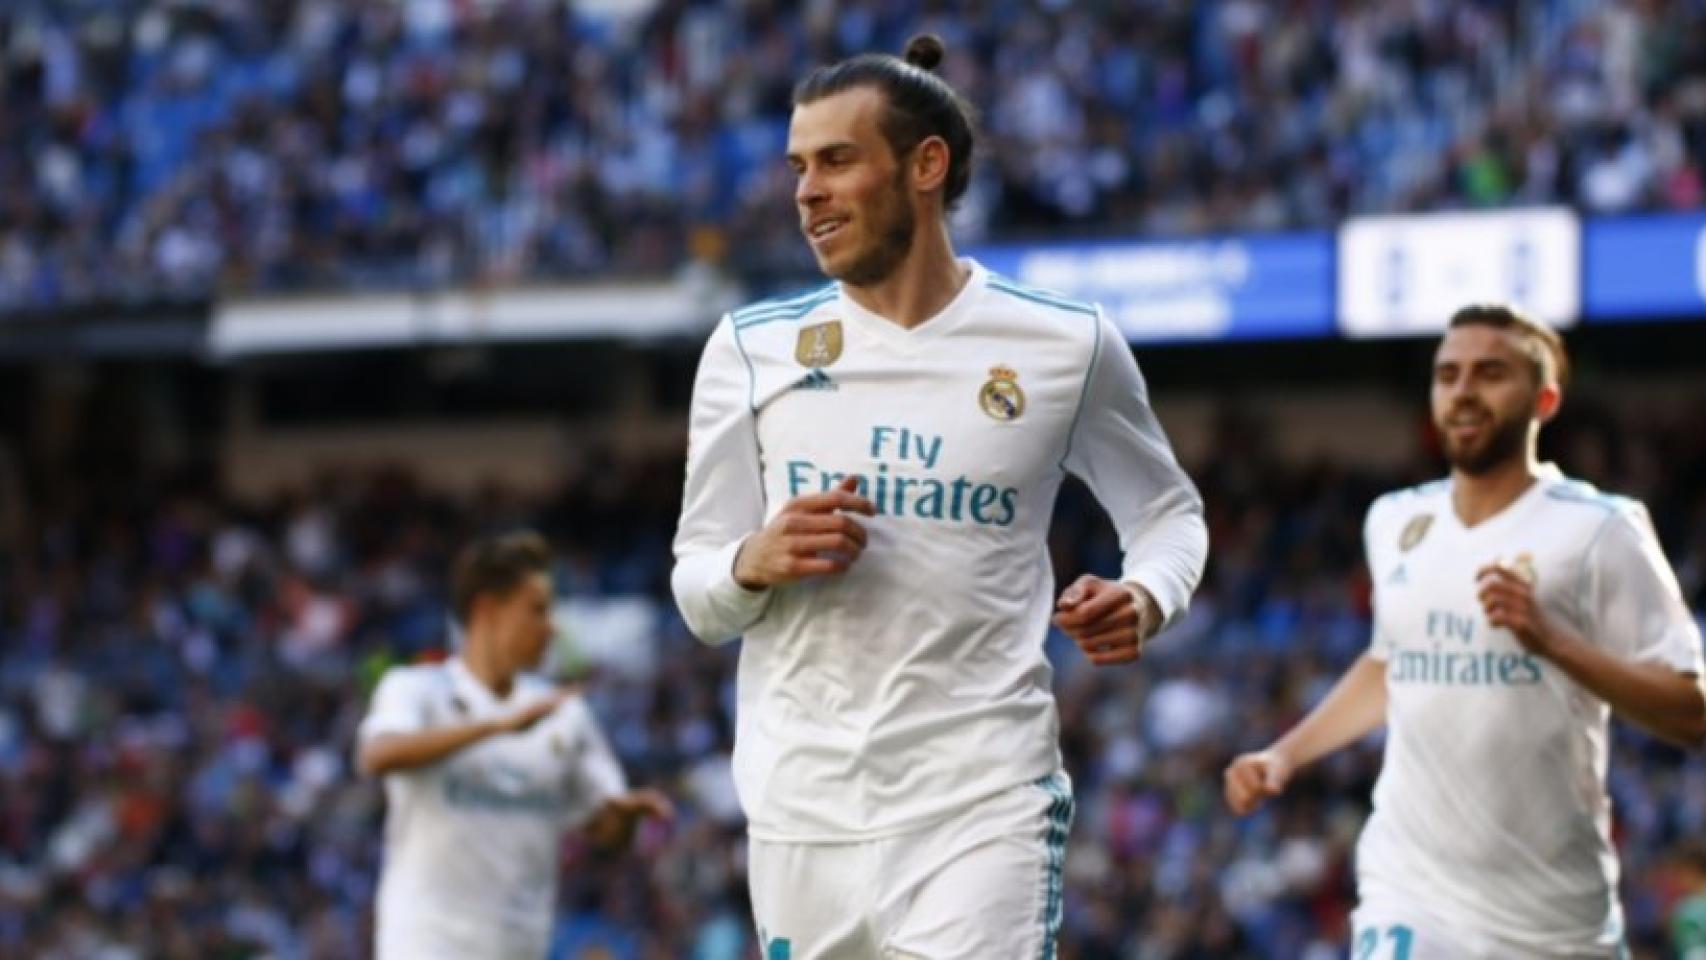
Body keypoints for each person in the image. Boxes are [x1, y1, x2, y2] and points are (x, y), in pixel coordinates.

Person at [670, 34, 1207, 959]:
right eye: (799, 166)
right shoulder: (749, 349)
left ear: (927, 165)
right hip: (803, 814)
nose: (806, 191)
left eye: (837, 161)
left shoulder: (1065, 345)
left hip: (982, 801)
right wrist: (750, 563)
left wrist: (1147, 594)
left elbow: (1169, 516)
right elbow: (698, 590)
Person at [1223, 304, 1706, 959]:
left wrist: (1553, 641)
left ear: (1545, 399)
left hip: (1555, 918)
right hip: (1411, 893)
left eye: (1490, 373)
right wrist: (1285, 753)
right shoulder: (1394, 520)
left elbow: (1691, 712)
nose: (1464, 390)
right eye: (1448, 374)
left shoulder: (1601, 529)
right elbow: (1392, 662)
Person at [357, 530, 672, 960]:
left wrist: (624, 819)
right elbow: (377, 755)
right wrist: (498, 726)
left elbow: (603, 830)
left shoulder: (562, 713)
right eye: (537, 610)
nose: (551, 626)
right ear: (488, 609)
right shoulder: (416, 690)